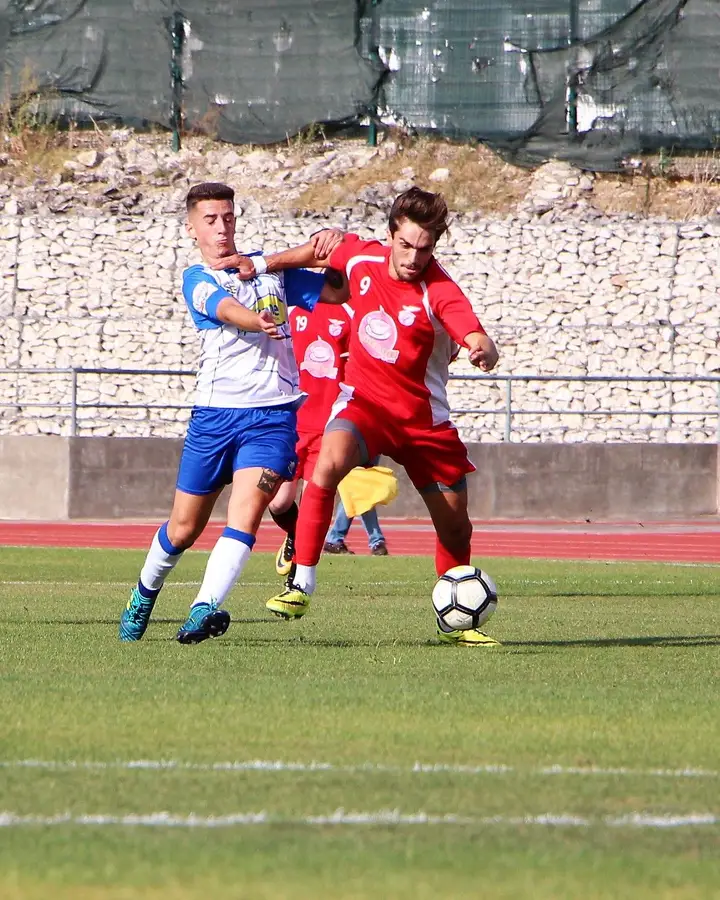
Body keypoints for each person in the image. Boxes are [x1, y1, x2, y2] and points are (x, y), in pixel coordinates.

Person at [247, 186, 501, 645]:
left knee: (455, 526)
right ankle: (301, 583)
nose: (413, 257)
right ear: (390, 236)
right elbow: (319, 251)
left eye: (424, 249)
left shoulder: (438, 290)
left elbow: (472, 330)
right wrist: (265, 264)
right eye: (405, 245)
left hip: (425, 422)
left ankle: (456, 623)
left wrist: (482, 349)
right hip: (365, 405)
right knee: (327, 462)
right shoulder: (362, 258)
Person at [118, 181, 340, 644]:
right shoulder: (197, 278)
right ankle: (143, 593)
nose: (221, 227)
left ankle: (204, 608)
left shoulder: (270, 273)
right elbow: (225, 309)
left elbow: (337, 290)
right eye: (210, 219)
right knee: (183, 528)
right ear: (192, 228)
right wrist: (257, 319)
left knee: (247, 515)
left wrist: (329, 247)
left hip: (272, 416)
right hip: (215, 417)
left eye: (228, 217)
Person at [267, 296, 389, 577]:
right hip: (291, 423)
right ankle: (295, 534)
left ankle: (298, 581)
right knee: (278, 502)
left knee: (314, 502)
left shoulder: (354, 312)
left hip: (329, 427)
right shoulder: (292, 308)